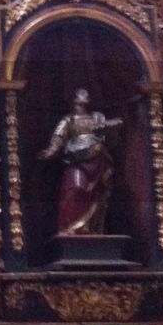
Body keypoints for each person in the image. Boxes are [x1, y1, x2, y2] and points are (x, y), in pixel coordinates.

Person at [38, 88, 121, 236]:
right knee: (74, 189)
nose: (86, 96)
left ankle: (91, 228)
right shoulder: (68, 120)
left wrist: (111, 126)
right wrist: (50, 151)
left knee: (97, 194)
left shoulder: (96, 117)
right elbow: (58, 138)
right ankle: (71, 227)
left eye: (88, 95)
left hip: (97, 161)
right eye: (82, 94)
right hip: (77, 162)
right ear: (74, 99)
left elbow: (110, 135)